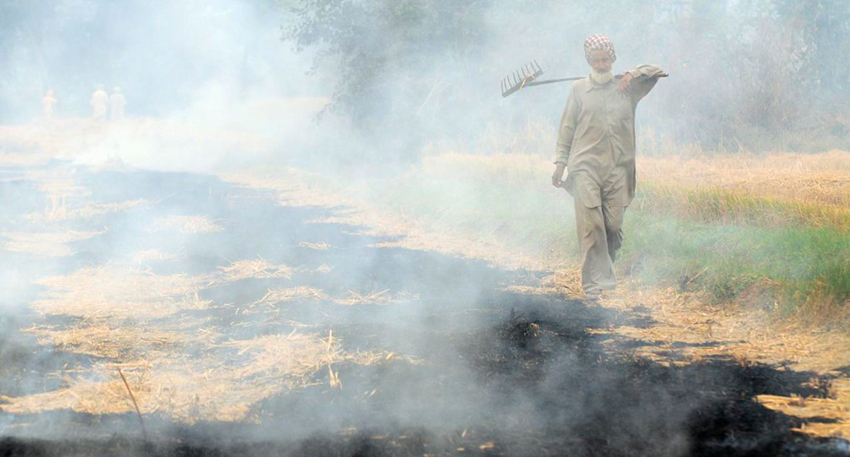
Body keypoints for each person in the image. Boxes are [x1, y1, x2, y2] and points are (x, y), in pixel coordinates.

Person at [551, 34, 664, 301]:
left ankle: (603, 272)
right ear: (589, 61)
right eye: (596, 60)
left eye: (605, 59)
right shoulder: (579, 90)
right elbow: (566, 128)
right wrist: (560, 163)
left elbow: (657, 71)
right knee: (592, 226)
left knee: (612, 227)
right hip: (585, 167)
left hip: (618, 169)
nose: (601, 64)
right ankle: (594, 286)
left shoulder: (628, 87)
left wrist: (633, 74)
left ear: (613, 59)